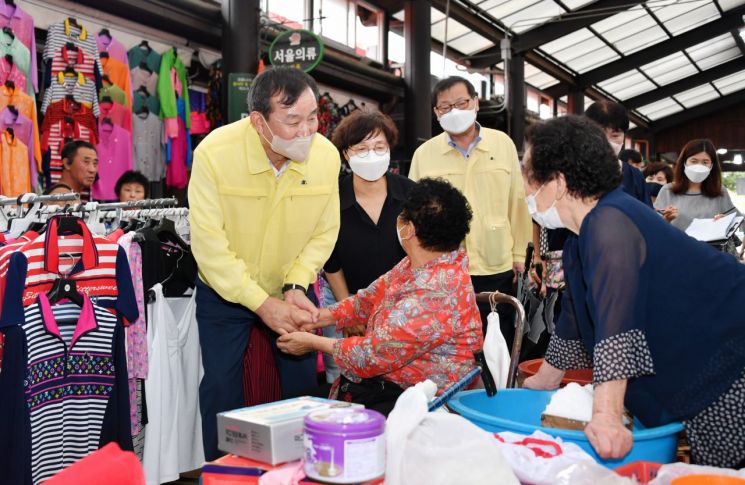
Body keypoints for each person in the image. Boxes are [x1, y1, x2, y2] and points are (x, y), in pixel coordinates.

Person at [521, 115, 745, 468]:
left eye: (528, 175)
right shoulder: (581, 237)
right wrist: (544, 380)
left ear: (559, 181)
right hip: (708, 358)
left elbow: (617, 322)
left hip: (729, 360)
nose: (525, 190)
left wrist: (607, 415)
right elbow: (574, 321)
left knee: (727, 468)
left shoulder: (609, 224)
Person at [188, 66, 341, 460]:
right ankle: (223, 469)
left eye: (313, 118)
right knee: (222, 386)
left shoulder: (325, 156)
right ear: (258, 121)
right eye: (292, 121)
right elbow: (209, 245)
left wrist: (295, 284)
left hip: (289, 292)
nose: (306, 132)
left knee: (302, 386)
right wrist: (259, 302)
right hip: (225, 292)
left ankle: (303, 468)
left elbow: (323, 232)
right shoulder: (214, 154)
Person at [277, 178, 483, 416]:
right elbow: (368, 299)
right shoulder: (419, 264)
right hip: (391, 386)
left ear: (410, 230)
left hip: (422, 401)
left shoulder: (435, 293)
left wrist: (312, 343)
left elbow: (373, 355)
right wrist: (317, 318)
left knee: (301, 415)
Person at [408, 76, 531, 348]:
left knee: (497, 341)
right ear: (436, 113)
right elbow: (413, 214)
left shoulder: (502, 145)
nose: (454, 111)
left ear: (475, 103)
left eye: (461, 103)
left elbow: (517, 201)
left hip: (495, 262)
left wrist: (520, 253)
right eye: (445, 107)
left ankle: (499, 389)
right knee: (451, 344)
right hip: (444, 266)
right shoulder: (424, 154)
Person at [654, 139, 740, 231]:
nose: (699, 166)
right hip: (676, 244)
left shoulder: (719, 191)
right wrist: (666, 219)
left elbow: (737, 220)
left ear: (711, 165)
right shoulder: (668, 190)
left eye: (705, 162)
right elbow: (653, 224)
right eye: (694, 161)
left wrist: (726, 221)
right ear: (684, 163)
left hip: (710, 245)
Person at [585, 101, 651, 207]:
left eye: (615, 136)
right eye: (600, 135)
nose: (607, 142)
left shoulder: (634, 176)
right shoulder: (571, 172)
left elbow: (646, 216)